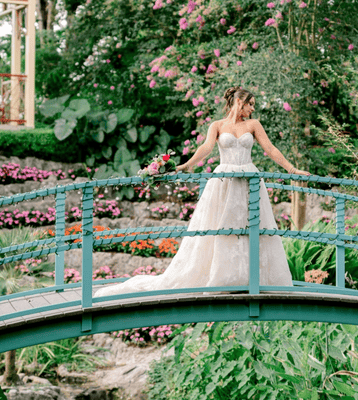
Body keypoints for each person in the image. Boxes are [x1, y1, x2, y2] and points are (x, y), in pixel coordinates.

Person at [94, 86, 310, 298]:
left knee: (252, 225)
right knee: (222, 226)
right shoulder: (217, 125)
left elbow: (270, 149)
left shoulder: (254, 124)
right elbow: (206, 148)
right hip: (224, 181)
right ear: (239, 103)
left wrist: (292, 170)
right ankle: (225, 278)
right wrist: (184, 166)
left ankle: (251, 277)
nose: (252, 109)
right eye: (250, 104)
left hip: (249, 181)